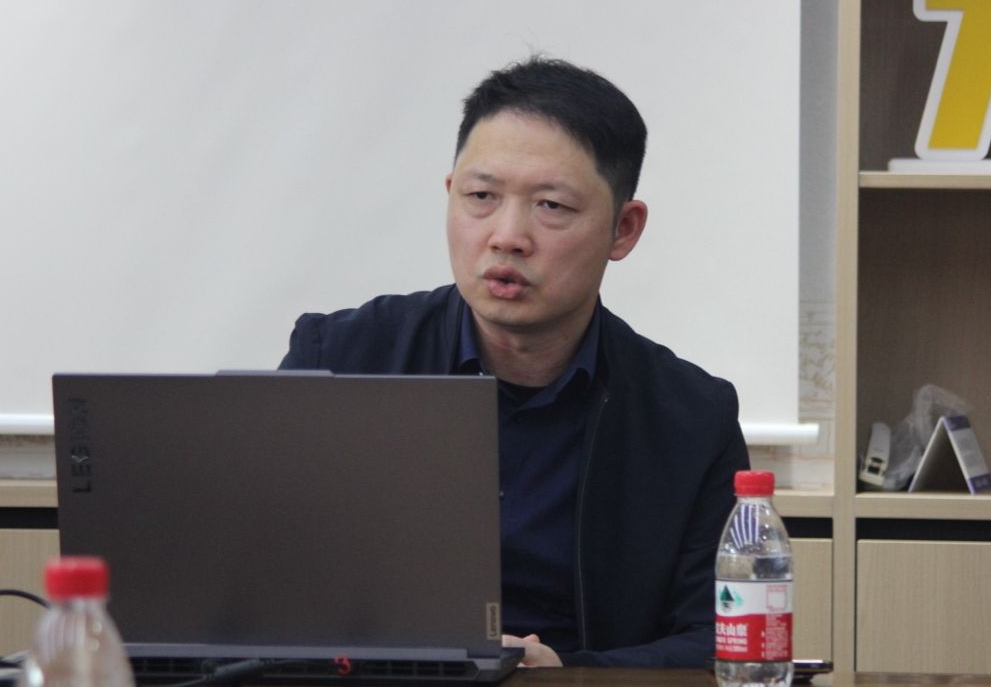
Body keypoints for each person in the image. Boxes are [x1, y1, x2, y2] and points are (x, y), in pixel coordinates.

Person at [279, 57, 750, 668]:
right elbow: (253, 594)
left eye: (551, 205)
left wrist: (566, 674)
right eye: (481, 196)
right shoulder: (339, 362)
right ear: (451, 195)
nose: (507, 235)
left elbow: (722, 638)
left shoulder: (691, 418)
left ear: (623, 229)